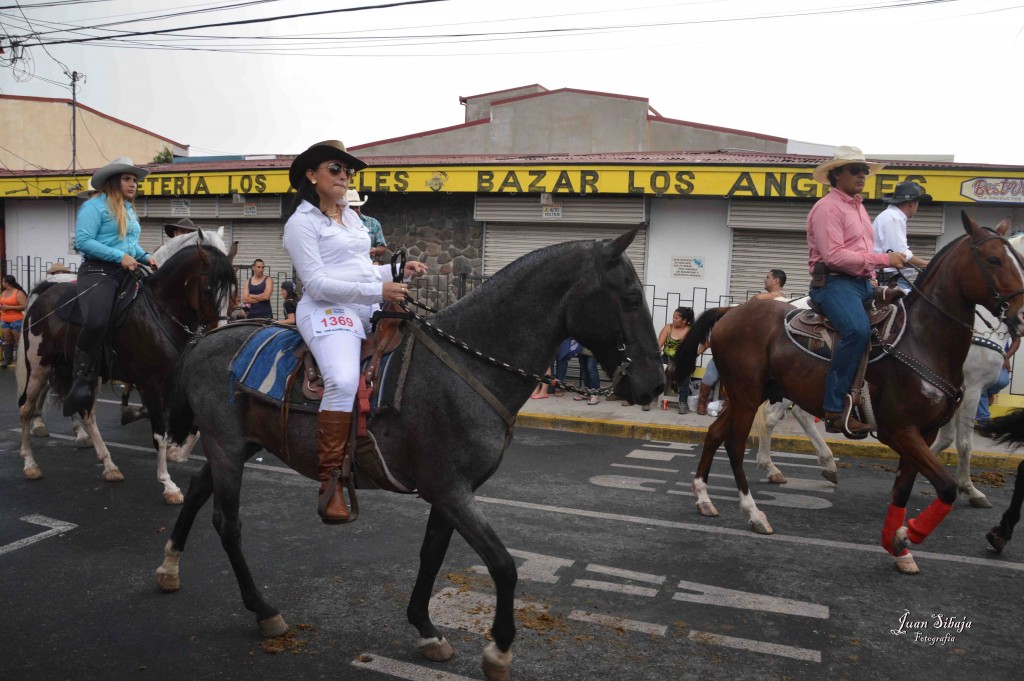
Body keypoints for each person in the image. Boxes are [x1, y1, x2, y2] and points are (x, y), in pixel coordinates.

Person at [282, 140, 428, 524]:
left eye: (348, 171)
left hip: (367, 307)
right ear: (312, 176)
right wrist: (377, 290)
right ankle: (330, 481)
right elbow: (316, 284)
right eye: (336, 168)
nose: (345, 175)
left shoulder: (351, 217)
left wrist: (395, 272)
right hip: (329, 312)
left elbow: (361, 271)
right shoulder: (301, 224)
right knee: (344, 381)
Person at [808, 146, 906, 438]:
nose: (862, 175)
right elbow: (835, 255)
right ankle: (834, 410)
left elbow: (860, 252)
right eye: (855, 170)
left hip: (861, 284)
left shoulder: (859, 206)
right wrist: (884, 260)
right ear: (836, 175)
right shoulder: (827, 208)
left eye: (864, 170)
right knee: (858, 331)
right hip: (834, 284)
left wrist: (873, 281)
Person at [64, 157, 158, 416]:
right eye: (128, 179)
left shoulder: (127, 208)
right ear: (113, 181)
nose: (133, 184)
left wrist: (145, 255)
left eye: (135, 180)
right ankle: (81, 377)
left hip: (126, 270)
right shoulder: (94, 207)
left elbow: (127, 243)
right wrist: (120, 257)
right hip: (98, 272)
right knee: (96, 321)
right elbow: (83, 241)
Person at [873, 180, 932, 291]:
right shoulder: (894, 218)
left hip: (892, 278)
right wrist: (929, 265)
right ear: (912, 203)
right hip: (892, 280)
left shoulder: (891, 216)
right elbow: (902, 257)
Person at [653, 306, 694, 413]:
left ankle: (683, 403)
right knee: (656, 371)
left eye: (676, 318)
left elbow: (704, 344)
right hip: (666, 357)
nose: (673, 320)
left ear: (684, 320)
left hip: (682, 360)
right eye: (673, 317)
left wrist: (696, 354)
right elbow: (659, 345)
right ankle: (648, 399)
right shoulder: (668, 328)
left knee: (683, 374)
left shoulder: (690, 330)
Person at [978, 337, 1020, 422]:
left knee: (1002, 381)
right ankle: (984, 421)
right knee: (980, 386)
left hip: (1000, 356)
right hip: (979, 356)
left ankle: (990, 393)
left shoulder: (1007, 323)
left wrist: (1007, 358)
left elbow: (1017, 340)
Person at [345, 189, 388, 262]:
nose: (355, 210)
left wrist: (374, 250)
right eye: (351, 208)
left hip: (367, 265)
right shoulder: (335, 224)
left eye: (357, 207)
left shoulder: (373, 223)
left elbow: (383, 248)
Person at [0, 275, 28, 368]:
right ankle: (8, 359)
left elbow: (24, 306)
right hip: (4, 319)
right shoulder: (4, 293)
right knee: (7, 339)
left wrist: (9, 307)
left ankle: (21, 359)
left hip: (16, 320)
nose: (2, 283)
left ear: (8, 282)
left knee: (17, 340)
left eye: (3, 281)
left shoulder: (18, 293)